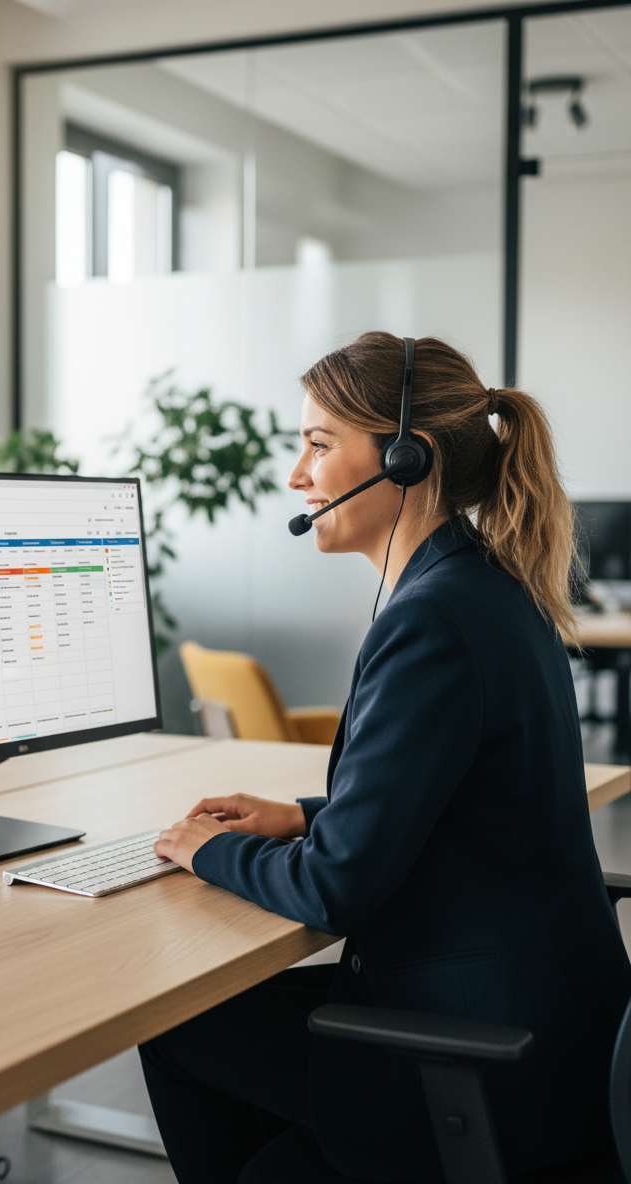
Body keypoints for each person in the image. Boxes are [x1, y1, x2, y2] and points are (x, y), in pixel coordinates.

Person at [142, 332, 631, 1184]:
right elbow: (467, 801)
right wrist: (303, 816)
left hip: (486, 1057)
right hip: (553, 1035)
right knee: (210, 1024)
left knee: (174, 1029)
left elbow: (337, 892)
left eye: (319, 445)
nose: (297, 475)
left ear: (407, 459)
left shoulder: (431, 621)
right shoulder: (486, 587)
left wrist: (206, 849)